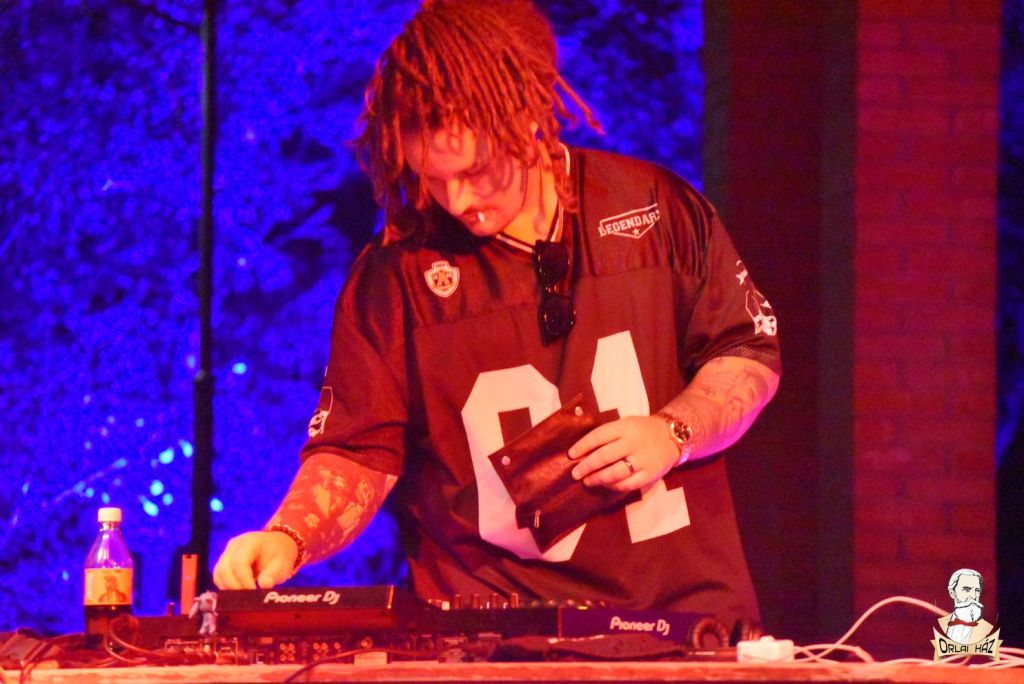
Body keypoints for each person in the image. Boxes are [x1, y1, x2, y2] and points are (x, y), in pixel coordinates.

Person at [214, 0, 780, 630]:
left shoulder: (654, 207)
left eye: (477, 171)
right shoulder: (396, 272)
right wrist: (288, 537)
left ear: (529, 119)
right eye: (433, 178)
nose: (459, 201)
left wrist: (674, 431)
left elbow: (745, 351)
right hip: (486, 633)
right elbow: (358, 448)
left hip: (677, 618)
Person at [937, 569, 995, 645]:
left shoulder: (987, 628)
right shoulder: (940, 624)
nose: (974, 596)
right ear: (952, 593)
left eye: (977, 590)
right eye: (967, 589)